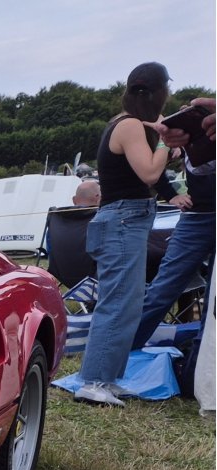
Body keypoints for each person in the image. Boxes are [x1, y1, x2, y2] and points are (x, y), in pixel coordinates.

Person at [74, 62, 182, 407]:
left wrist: (166, 156)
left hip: (126, 221)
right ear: (156, 91)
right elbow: (149, 172)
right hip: (122, 222)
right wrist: (165, 143)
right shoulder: (131, 125)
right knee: (118, 304)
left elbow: (146, 173)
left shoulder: (125, 124)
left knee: (129, 304)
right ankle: (92, 382)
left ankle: (108, 378)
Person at [131, 98, 216, 352]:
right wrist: (172, 195)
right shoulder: (184, 145)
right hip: (196, 217)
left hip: (199, 216)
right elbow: (152, 173)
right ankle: (122, 353)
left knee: (212, 296)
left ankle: (202, 363)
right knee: (162, 289)